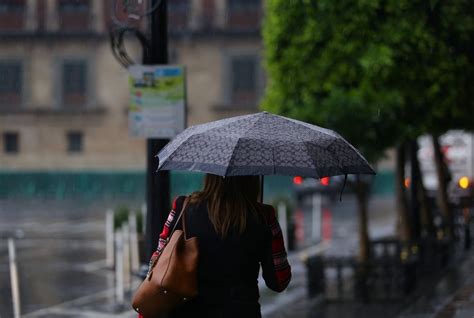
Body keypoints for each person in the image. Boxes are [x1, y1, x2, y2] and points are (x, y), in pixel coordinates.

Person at [141, 174, 291, 318]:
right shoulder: (264, 216)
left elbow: (157, 259)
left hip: (187, 313)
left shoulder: (183, 208)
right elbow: (279, 281)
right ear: (251, 178)